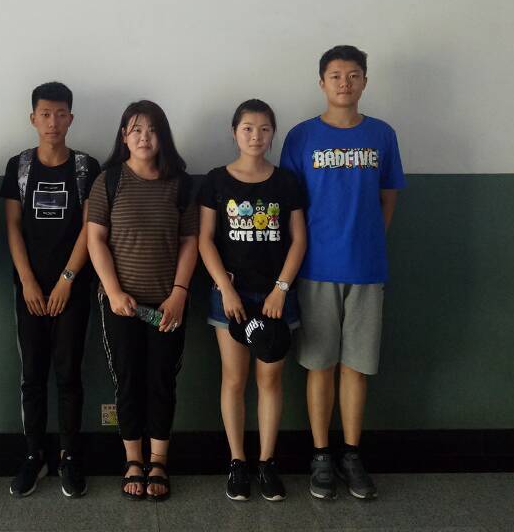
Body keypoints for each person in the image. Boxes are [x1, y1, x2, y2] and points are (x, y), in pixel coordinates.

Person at [279, 46, 405, 501]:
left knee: (357, 367)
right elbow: (290, 204)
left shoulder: (382, 134)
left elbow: (388, 196)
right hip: (315, 269)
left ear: (365, 82)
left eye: (353, 75)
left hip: (367, 270)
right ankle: (320, 455)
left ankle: (351, 453)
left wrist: (368, 240)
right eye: (335, 75)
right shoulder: (301, 137)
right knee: (320, 365)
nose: (344, 83)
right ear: (322, 83)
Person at [87, 100, 199, 502]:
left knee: (162, 382)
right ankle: (133, 460)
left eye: (152, 130)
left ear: (163, 136)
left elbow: (190, 241)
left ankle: (159, 462)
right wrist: (114, 291)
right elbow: (95, 240)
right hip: (121, 306)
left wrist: (179, 293)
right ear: (123, 136)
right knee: (128, 381)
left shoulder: (180, 184)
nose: (144, 137)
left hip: (167, 306)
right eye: (136, 129)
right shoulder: (108, 181)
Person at [198, 99, 306, 502]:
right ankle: (237, 462)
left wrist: (281, 288)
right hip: (230, 298)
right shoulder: (215, 181)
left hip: (276, 297)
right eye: (247, 128)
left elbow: (299, 240)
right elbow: (205, 240)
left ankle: (267, 462)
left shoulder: (287, 182)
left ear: (273, 133)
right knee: (233, 379)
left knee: (270, 380)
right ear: (234, 132)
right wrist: (225, 289)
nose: (255, 136)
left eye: (264, 129)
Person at [0, 81, 102, 498]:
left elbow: (90, 229)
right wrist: (28, 280)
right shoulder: (19, 166)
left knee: (69, 374)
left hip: (71, 291)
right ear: (33, 118)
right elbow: (11, 226)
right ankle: (33, 456)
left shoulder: (86, 167)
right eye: (45, 114)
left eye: (60, 114)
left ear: (71, 118)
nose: (53, 122)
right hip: (30, 292)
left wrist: (67, 280)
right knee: (32, 377)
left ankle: (70, 457)